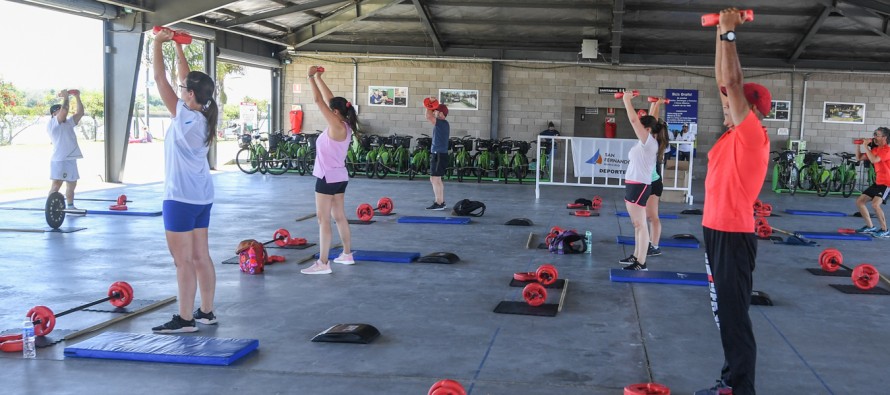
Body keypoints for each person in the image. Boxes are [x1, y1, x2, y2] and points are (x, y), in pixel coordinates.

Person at [696, 8, 772, 395]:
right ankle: (730, 380)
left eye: (733, 101)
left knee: (734, 317)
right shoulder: (731, 135)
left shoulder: (752, 136)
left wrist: (729, 35)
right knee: (723, 313)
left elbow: (732, 79)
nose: (725, 102)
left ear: (752, 111)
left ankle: (740, 388)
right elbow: (721, 80)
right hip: (714, 230)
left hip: (732, 236)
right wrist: (717, 35)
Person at [150, 30, 219, 334]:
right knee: (201, 256)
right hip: (201, 197)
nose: (180, 91)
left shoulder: (184, 118)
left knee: (183, 262)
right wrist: (178, 46)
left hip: (179, 198)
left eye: (184, 90)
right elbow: (184, 78)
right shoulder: (203, 113)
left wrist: (157, 44)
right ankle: (205, 312)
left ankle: (185, 319)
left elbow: (161, 81)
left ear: (190, 95)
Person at [300, 65, 356, 274]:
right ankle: (347, 254)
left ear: (335, 112)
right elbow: (329, 99)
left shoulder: (336, 124)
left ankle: (323, 263)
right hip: (340, 176)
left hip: (326, 178)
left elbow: (318, 101)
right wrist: (318, 77)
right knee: (339, 216)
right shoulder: (345, 123)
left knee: (323, 219)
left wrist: (309, 78)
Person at [618, 92, 667, 271]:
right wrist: (657, 104)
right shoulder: (646, 141)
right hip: (635, 185)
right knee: (637, 224)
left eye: (641, 126)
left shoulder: (649, 143)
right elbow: (651, 120)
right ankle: (637, 257)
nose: (637, 128)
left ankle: (641, 262)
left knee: (640, 224)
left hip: (638, 186)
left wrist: (626, 100)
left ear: (647, 130)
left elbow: (633, 121)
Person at [47, 89, 84, 210]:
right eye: (58, 110)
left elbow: (80, 113)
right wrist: (66, 97)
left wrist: (77, 97)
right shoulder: (53, 123)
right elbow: (64, 111)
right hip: (59, 159)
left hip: (71, 159)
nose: (63, 113)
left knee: (72, 184)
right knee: (57, 184)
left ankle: (70, 207)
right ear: (53, 114)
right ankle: (50, 209)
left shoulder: (68, 122)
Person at [645, 98, 671, 258]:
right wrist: (655, 104)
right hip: (653, 181)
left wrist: (658, 104)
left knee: (652, 216)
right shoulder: (659, 140)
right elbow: (651, 119)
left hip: (652, 181)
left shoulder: (652, 141)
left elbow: (651, 120)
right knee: (649, 216)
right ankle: (651, 244)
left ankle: (654, 246)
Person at [854, 127, 890, 237]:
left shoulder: (887, 150)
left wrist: (865, 146)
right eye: (874, 134)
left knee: (875, 205)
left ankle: (885, 230)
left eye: (877, 135)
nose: (874, 137)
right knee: (860, 202)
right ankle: (870, 227)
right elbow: (859, 157)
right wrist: (858, 145)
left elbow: (874, 160)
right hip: (878, 182)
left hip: (887, 183)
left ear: (884, 137)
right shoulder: (875, 150)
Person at [424, 99, 450, 210]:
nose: (435, 112)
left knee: (435, 179)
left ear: (441, 114)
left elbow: (428, 116)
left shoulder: (442, 123)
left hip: (439, 154)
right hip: (439, 154)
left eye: (437, 111)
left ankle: (439, 203)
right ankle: (440, 201)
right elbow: (430, 116)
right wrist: (432, 106)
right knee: (436, 179)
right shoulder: (442, 123)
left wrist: (429, 105)